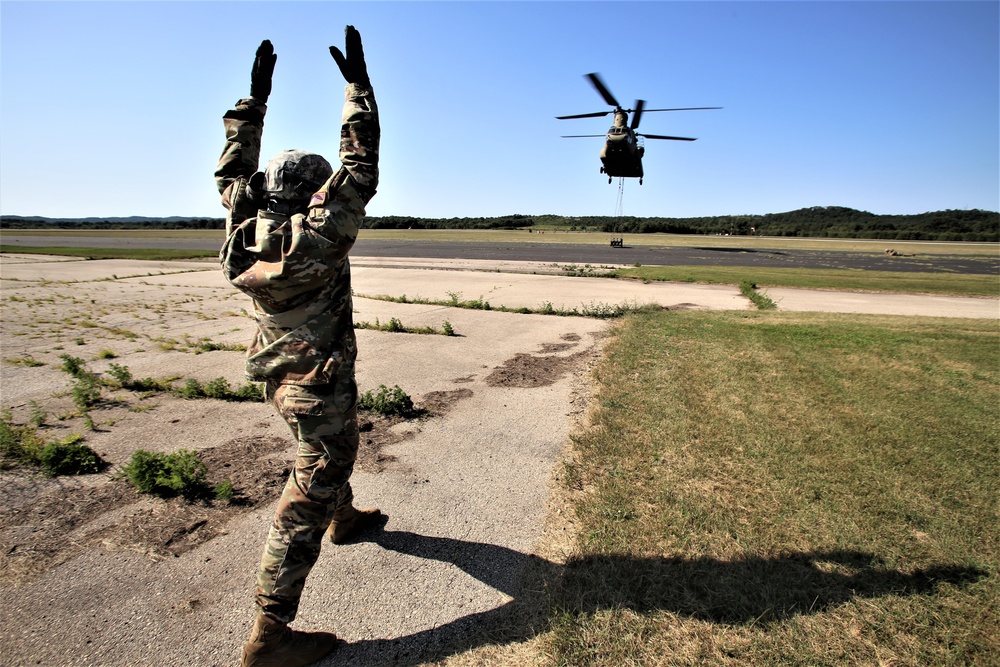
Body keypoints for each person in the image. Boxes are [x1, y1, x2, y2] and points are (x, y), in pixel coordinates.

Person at [215, 27, 383, 667]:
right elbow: (361, 162)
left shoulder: (243, 225)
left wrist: (253, 100)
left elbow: (232, 170)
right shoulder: (321, 234)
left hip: (280, 373)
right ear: (314, 193)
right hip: (319, 379)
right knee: (313, 476)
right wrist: (357, 88)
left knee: (336, 443)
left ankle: (343, 515)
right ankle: (269, 632)